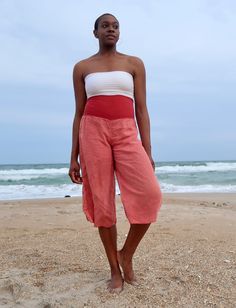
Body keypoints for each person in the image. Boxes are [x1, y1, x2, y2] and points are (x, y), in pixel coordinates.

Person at [69, 13, 162, 293]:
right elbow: (79, 112)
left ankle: (126, 254)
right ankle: (114, 268)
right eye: (105, 26)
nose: (111, 29)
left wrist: (147, 150)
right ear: (95, 32)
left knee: (150, 193)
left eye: (115, 26)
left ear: (119, 32)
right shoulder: (82, 67)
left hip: (125, 132)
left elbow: (142, 110)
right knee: (103, 202)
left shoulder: (134, 64)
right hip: (92, 132)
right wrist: (72, 156)